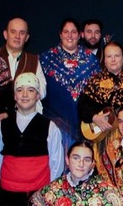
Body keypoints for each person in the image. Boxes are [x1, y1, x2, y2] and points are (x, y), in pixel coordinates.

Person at [0, 72, 64, 206]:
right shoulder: (3, 126)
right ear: (14, 95)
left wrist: (43, 189)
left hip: (37, 194)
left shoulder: (50, 127)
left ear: (37, 95)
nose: (25, 95)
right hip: (9, 196)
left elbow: (56, 162)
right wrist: (12, 179)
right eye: (20, 90)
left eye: (30, 90)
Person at [40, 18, 101, 149]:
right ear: (60, 34)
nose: (70, 35)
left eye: (73, 32)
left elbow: (98, 93)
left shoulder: (91, 59)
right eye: (66, 32)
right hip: (55, 122)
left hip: (85, 124)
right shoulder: (47, 58)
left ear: (79, 35)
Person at [77, 41, 123, 143]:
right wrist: (95, 117)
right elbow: (82, 107)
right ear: (104, 61)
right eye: (109, 56)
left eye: (117, 56)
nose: (113, 60)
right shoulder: (95, 81)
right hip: (103, 136)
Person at [0, 17, 47, 96]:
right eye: (13, 32)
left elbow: (42, 90)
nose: (17, 36)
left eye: (22, 33)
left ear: (26, 37)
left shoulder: (33, 60)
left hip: (25, 108)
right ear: (5, 34)